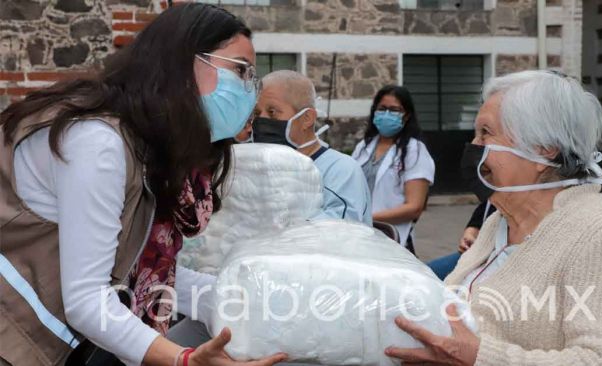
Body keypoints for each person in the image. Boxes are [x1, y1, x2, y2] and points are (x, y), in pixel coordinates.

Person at [0, 4, 287, 366]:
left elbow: (142, 270)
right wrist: (183, 359)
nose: (250, 90)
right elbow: (89, 300)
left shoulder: (144, 147)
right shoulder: (99, 142)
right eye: (240, 70)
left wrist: (251, 302)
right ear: (182, 65)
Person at [385, 70, 602, 365]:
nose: (473, 147)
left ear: (543, 148)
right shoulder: (498, 222)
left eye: (486, 133)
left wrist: (480, 358)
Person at [251, 70, 372, 225]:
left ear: (307, 118)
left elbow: (340, 233)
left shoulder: (341, 171)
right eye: (256, 113)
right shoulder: (258, 168)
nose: (261, 121)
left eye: (272, 112)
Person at [352, 85, 435, 252]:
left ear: (407, 115)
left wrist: (368, 218)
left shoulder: (415, 150)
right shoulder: (363, 147)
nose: (387, 114)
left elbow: (414, 207)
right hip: (358, 235)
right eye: (382, 109)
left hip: (391, 238)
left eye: (394, 110)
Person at [427, 201, 496, 280]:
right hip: (476, 254)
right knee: (424, 273)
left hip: (492, 260)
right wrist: (469, 234)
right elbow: (481, 215)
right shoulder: (494, 198)